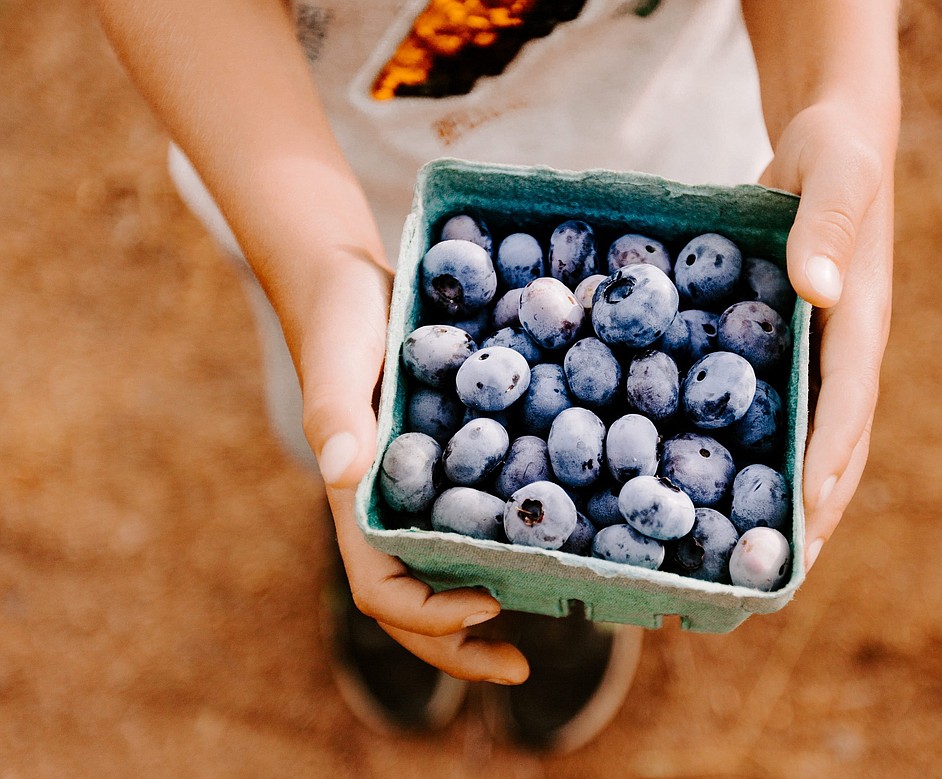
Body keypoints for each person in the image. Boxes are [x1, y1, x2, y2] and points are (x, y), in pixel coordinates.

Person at [93, 0, 898, 753]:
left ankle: (575, 593)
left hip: (673, 159)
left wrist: (837, 93)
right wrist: (315, 270)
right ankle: (396, 526)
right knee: (354, 416)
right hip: (315, 192)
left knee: (586, 530)